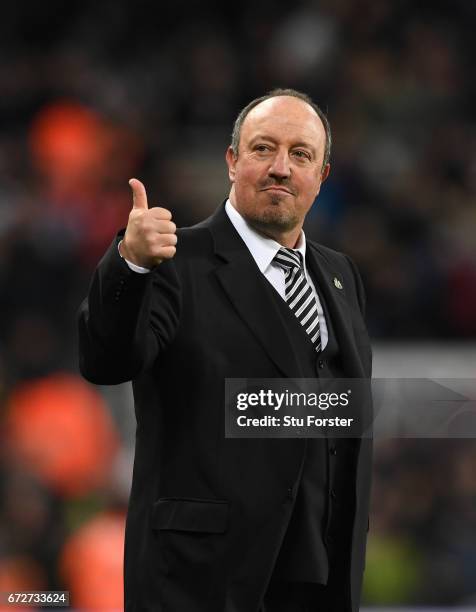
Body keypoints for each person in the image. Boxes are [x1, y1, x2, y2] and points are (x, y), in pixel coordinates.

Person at [78, 88, 373, 612]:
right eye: (263, 149)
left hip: (320, 581)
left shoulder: (340, 274)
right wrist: (130, 263)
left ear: (322, 175)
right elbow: (105, 360)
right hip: (203, 581)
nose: (281, 167)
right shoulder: (174, 261)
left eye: (300, 154)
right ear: (232, 162)